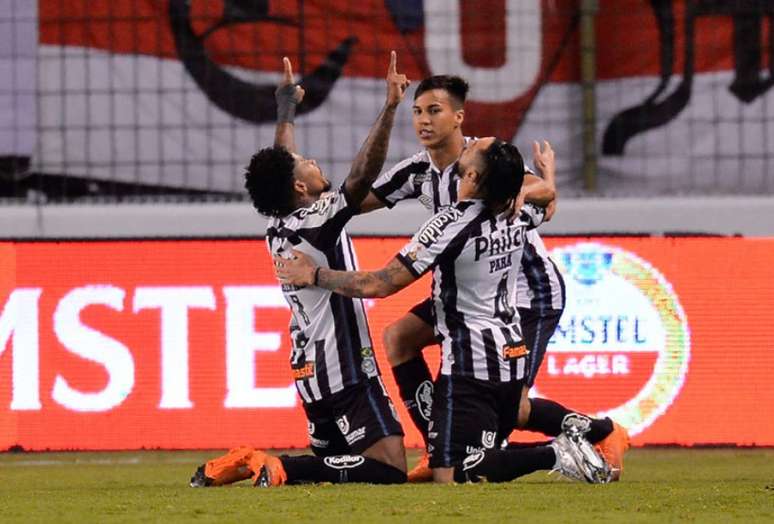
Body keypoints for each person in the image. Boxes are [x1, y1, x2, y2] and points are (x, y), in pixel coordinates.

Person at [276, 137, 612, 484]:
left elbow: (381, 283)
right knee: (463, 451)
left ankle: (558, 452)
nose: (464, 149)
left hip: (469, 358)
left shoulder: (452, 223)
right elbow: (548, 204)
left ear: (473, 178)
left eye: (469, 152)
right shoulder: (518, 208)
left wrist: (315, 274)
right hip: (509, 349)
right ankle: (549, 447)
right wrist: (548, 177)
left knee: (453, 473)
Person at [354, 75, 629, 481]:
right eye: (417, 112)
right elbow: (354, 201)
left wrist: (534, 188)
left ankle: (602, 432)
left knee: (516, 410)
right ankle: (440, 450)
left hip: (526, 293)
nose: (424, 121)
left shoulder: (488, 158)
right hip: (466, 291)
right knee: (399, 338)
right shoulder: (416, 172)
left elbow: (543, 196)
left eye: (434, 111)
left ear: (458, 117)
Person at [190, 52, 411, 488]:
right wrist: (389, 109)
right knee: (390, 470)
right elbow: (363, 174)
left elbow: (282, 157)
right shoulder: (319, 219)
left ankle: (250, 463)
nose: (313, 161)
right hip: (345, 368)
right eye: (307, 162)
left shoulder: (280, 226)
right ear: (300, 187)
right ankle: (275, 464)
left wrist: (287, 106)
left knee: (340, 474)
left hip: (310, 373)